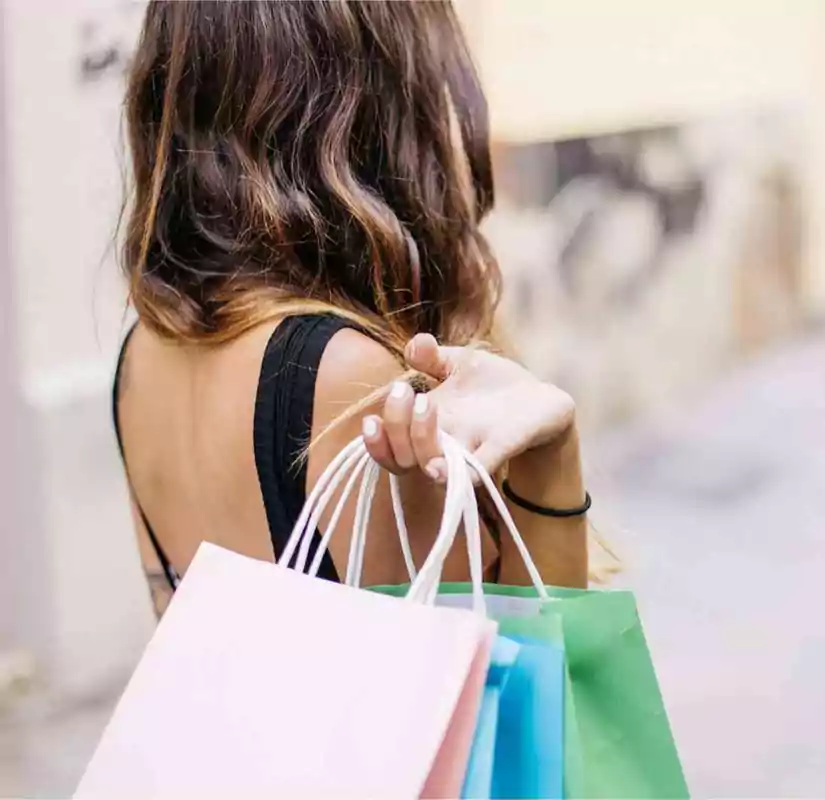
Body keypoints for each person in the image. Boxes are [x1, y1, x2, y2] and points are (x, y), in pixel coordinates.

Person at [112, 1, 590, 616]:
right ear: (386, 105)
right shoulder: (346, 375)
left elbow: (175, 628)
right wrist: (554, 461)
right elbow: (529, 677)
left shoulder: (141, 356)